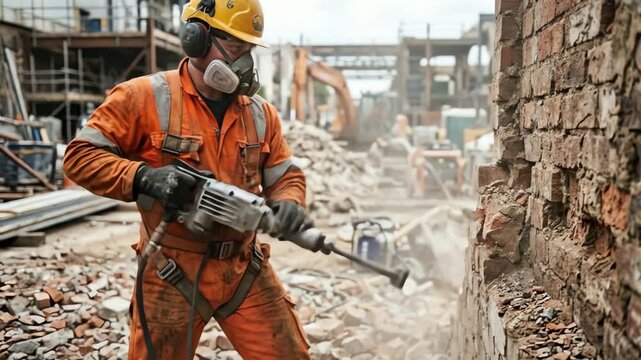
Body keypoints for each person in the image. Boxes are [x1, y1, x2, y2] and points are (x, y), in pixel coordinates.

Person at [63, 0, 311, 359]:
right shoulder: (142, 97)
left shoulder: (260, 113)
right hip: (172, 269)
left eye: (249, 51)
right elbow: (80, 157)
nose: (244, 63)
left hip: (243, 266)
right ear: (196, 39)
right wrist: (143, 176)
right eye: (236, 48)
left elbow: (285, 175)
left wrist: (289, 202)